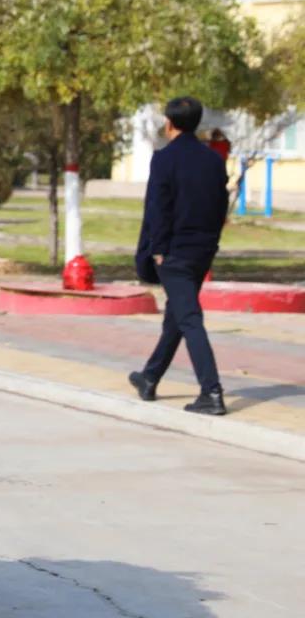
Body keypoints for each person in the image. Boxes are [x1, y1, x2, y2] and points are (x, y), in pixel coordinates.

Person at [130, 97, 229, 416]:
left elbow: (158, 208)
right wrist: (211, 244)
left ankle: (211, 392)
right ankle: (149, 377)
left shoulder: (164, 159)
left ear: (169, 124)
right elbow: (220, 207)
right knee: (177, 315)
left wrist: (157, 250)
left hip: (173, 253)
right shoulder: (213, 160)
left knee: (189, 319)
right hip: (202, 251)